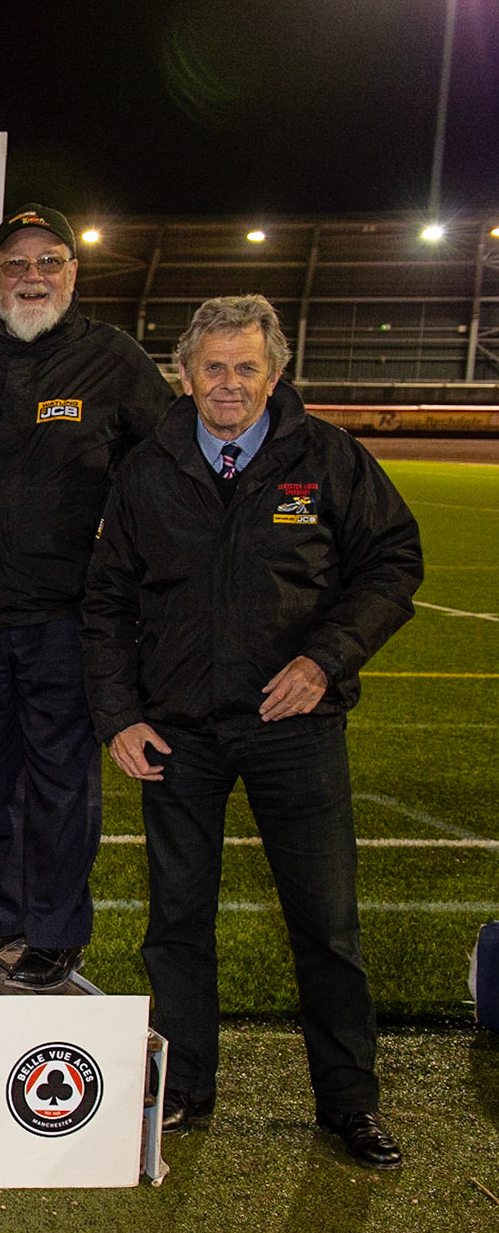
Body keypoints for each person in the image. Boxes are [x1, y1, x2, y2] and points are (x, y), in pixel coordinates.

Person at [84, 295, 420, 1167]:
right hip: (180, 735)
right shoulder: (148, 468)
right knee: (178, 922)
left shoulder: (327, 456)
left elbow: (392, 561)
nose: (228, 383)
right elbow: (107, 601)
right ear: (185, 375)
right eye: (212, 367)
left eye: (246, 368)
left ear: (274, 374)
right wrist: (119, 714)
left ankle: (348, 1103)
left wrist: (326, 661)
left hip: (294, 728)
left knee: (326, 924)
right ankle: (187, 1087)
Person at [0, 203, 171, 990]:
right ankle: (4, 912)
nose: (33, 276)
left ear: (73, 272)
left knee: (62, 780)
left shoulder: (115, 360)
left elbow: (164, 472)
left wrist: (127, 570)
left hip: (65, 617)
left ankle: (59, 930)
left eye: (50, 262)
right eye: (17, 262)